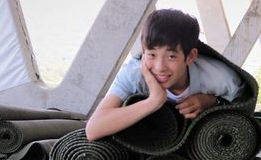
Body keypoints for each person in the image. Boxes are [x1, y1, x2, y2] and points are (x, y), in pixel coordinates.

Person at [85, 9, 244, 141]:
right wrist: (154, 101)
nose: (160, 67)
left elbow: (243, 115)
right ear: (143, 50)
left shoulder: (222, 79)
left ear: (190, 56)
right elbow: (93, 129)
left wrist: (211, 101)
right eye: (152, 54)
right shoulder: (134, 75)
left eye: (171, 56)